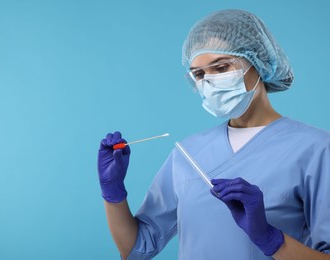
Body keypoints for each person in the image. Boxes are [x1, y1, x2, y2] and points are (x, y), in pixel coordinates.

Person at [97, 9, 330, 259]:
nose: (209, 81)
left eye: (221, 67)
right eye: (199, 74)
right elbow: (136, 249)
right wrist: (113, 193)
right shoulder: (188, 153)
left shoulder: (316, 148)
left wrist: (270, 239)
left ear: (259, 62)